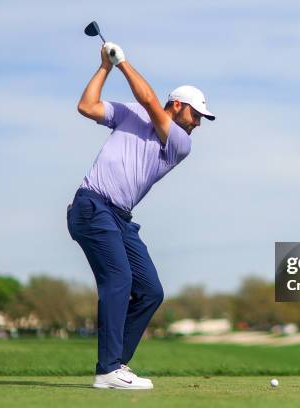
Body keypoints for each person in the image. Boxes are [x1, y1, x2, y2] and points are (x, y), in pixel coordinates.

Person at [67, 42, 215, 390]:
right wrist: (105, 66)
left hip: (119, 218)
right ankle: (107, 371)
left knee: (150, 290)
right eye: (196, 115)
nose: (198, 124)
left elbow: (150, 101)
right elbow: (86, 106)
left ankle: (116, 364)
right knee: (118, 280)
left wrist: (123, 63)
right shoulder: (130, 112)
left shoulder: (179, 141)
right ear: (177, 105)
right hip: (93, 206)